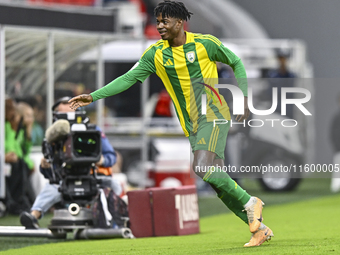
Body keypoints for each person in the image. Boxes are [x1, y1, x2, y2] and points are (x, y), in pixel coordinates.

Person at [68, 0, 273, 247]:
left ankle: (252, 203)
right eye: (158, 21)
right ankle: (258, 229)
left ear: (180, 22)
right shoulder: (156, 54)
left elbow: (236, 62)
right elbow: (128, 78)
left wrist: (243, 100)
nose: (160, 26)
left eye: (165, 21)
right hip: (191, 125)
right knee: (215, 181)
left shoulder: (205, 44)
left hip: (214, 114)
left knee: (203, 169)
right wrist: (93, 96)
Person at [20, 96, 122, 229]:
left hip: (92, 176)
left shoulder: (93, 131)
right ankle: (34, 216)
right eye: (63, 112)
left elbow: (111, 157)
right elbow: (49, 172)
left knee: (114, 185)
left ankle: (120, 215)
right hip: (65, 179)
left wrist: (101, 160)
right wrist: (45, 166)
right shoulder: (53, 137)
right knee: (51, 189)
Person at [5, 98, 34, 214]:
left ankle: (25, 202)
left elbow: (24, 151)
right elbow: (9, 145)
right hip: (6, 161)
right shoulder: (7, 127)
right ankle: (16, 202)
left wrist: (28, 130)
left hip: (14, 161)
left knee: (22, 165)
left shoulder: (20, 130)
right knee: (21, 166)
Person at [330, 93, 340, 193]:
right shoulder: (337, 116)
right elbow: (333, 133)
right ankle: (335, 187)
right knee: (338, 169)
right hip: (339, 148)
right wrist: (337, 146)